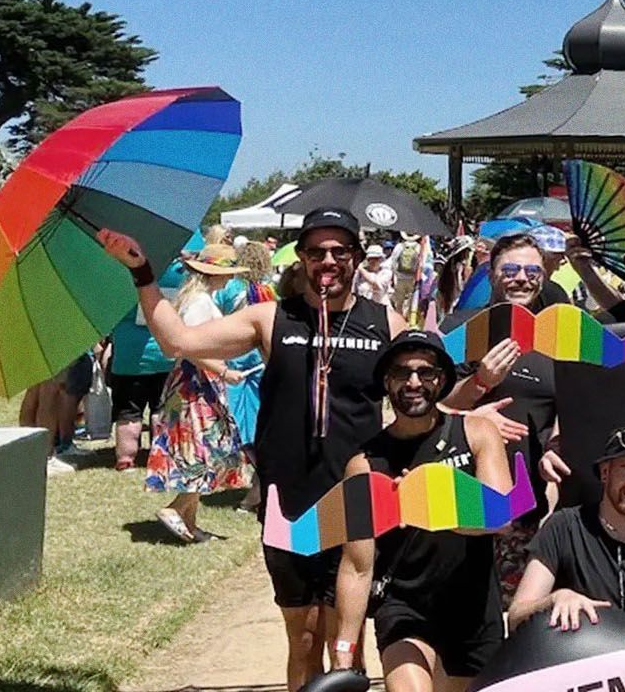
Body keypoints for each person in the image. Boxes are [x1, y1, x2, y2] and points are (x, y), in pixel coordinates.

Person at [98, 208, 413, 692]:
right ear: (301, 258)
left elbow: (431, 386)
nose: (327, 260)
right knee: (304, 637)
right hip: (288, 499)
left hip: (355, 498)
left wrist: (482, 399)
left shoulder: (383, 322)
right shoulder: (271, 318)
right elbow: (178, 341)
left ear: (355, 256)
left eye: (339, 251)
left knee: (345, 640)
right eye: (316, 251)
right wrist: (141, 271)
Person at [335, 331, 511, 692]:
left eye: (425, 372)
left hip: (474, 608)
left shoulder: (477, 432)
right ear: (387, 382)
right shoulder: (365, 465)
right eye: (401, 373)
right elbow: (357, 565)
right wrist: (343, 650)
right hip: (404, 608)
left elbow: (499, 514)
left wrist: (430, 501)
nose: (414, 382)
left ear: (442, 379)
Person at [443, 233, 570, 608]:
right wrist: (479, 391)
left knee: (520, 621)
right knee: (463, 628)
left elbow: (571, 401)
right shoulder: (461, 328)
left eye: (532, 270)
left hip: (527, 509)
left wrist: (555, 443)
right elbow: (432, 405)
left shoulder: (556, 336)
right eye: (510, 269)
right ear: (492, 274)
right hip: (462, 506)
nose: (522, 278)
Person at [508, 424, 625, 632]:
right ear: (605, 473)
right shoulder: (563, 527)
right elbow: (516, 616)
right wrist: (557, 599)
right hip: (581, 657)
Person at [146, 244, 253, 543]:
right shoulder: (199, 303)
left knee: (205, 446)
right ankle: (177, 507)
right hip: (195, 384)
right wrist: (224, 372)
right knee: (201, 448)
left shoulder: (198, 299)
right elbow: (190, 349)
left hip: (197, 382)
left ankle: (189, 522)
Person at [391, 235, 425, 320]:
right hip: (412, 278)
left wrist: (396, 273)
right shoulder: (418, 247)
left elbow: (393, 261)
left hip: (400, 278)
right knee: (410, 301)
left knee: (399, 301)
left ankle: (398, 318)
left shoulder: (400, 246)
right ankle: (407, 319)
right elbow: (421, 263)